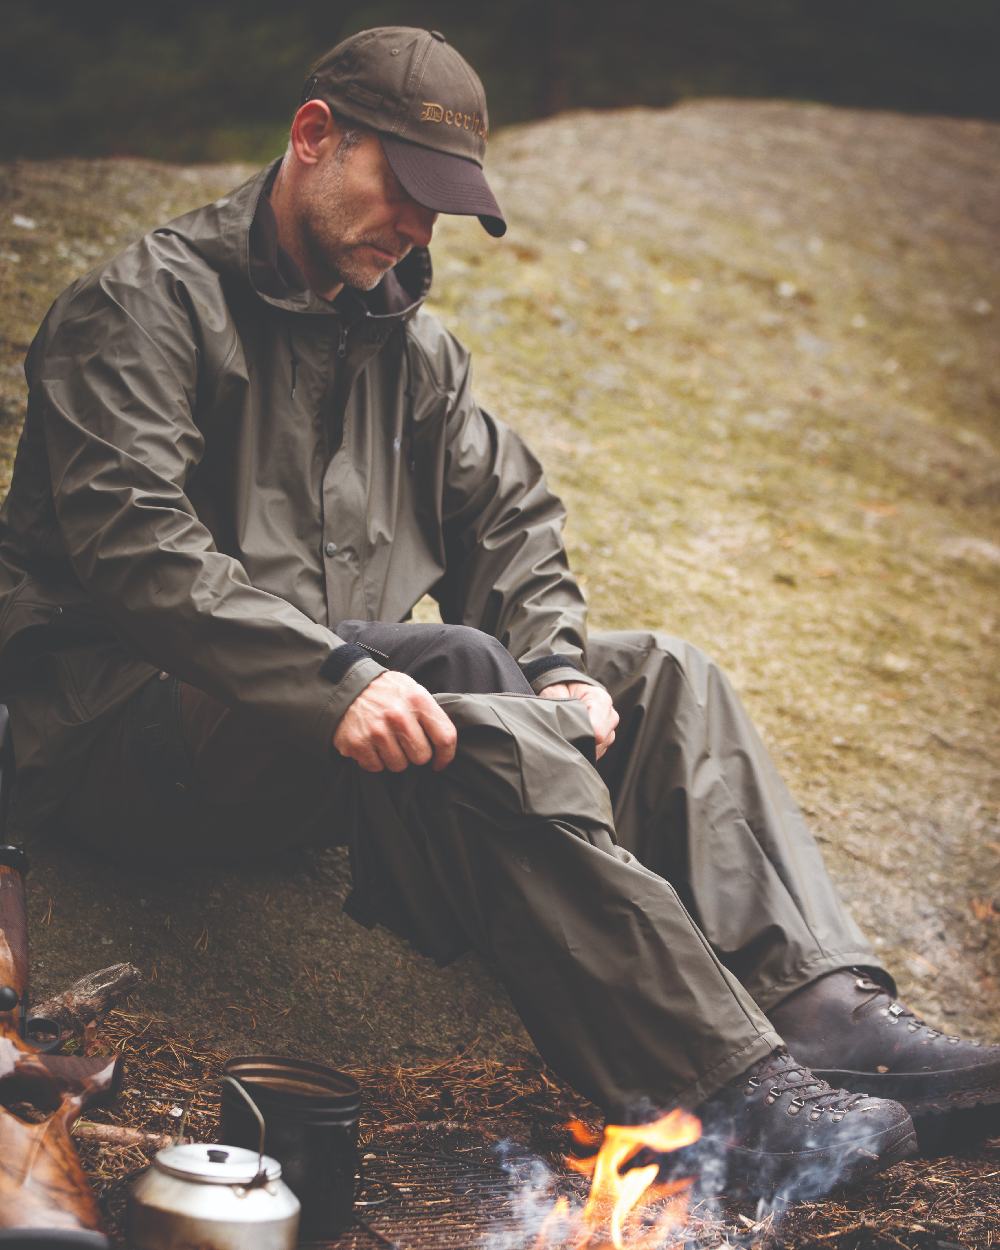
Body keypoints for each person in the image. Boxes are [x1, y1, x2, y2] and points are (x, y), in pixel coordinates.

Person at [0, 27, 996, 1199]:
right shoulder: (141, 306)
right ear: (313, 136)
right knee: (452, 667)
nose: (419, 230)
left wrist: (560, 665)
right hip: (132, 730)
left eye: (444, 207)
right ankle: (728, 1093)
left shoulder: (410, 349)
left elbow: (511, 518)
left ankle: (827, 1016)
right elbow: (140, 554)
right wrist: (340, 677)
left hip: (328, 721)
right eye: (406, 190)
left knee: (662, 675)